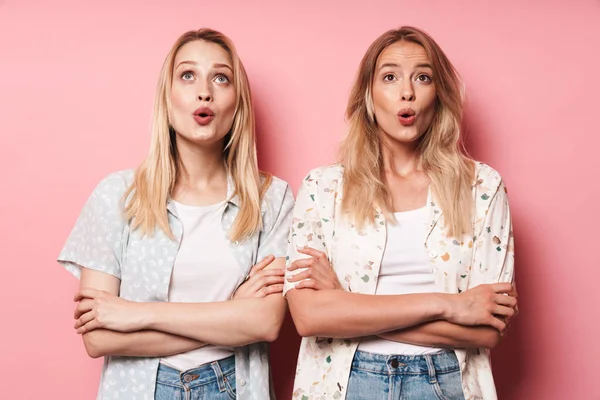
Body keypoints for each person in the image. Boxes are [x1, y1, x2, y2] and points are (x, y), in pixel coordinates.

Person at [58, 28, 293, 400]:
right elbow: (98, 336)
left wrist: (138, 314)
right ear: (166, 98)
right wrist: (230, 313)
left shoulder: (272, 199)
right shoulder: (117, 195)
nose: (205, 91)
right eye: (187, 75)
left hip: (234, 386)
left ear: (238, 101)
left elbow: (265, 322)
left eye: (221, 77)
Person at [284, 26, 517, 400]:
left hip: (445, 380)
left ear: (438, 94)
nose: (406, 91)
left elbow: (486, 330)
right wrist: (450, 305)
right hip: (347, 382)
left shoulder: (482, 187)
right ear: (369, 95)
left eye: (422, 77)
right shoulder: (323, 188)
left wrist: (347, 307)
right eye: (389, 77)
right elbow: (310, 317)